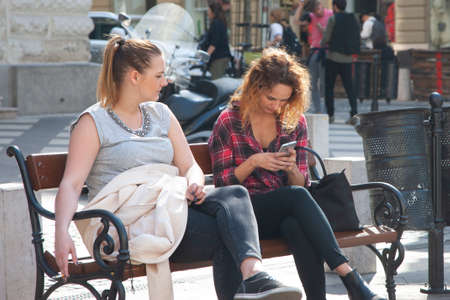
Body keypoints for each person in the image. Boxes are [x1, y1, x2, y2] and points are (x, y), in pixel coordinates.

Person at [53, 35, 302, 300]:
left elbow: (189, 166)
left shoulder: (162, 114)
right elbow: (71, 184)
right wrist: (61, 235)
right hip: (126, 224)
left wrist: (194, 182)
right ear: (135, 77)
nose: (166, 81)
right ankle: (254, 279)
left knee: (236, 195)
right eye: (159, 75)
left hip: (170, 207)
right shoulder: (93, 122)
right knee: (227, 232)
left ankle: (254, 276)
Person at [208, 47, 386, 300]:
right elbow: (222, 185)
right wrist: (254, 162)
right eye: (272, 98)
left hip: (281, 212)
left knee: (296, 223)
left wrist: (291, 167)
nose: (277, 106)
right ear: (256, 87)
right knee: (294, 199)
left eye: (284, 100)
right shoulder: (229, 120)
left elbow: (301, 185)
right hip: (242, 215)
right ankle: (350, 278)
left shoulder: (293, 121)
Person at [320, 0, 360, 124]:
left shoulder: (333, 19)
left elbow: (326, 38)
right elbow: (357, 35)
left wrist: (322, 44)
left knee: (329, 87)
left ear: (335, 6)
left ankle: (331, 115)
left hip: (333, 57)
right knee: (350, 87)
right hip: (348, 58)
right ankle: (354, 113)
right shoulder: (354, 18)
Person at [294, 0, 333, 114]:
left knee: (324, 83)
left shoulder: (330, 14)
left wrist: (323, 31)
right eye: (315, 12)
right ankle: (318, 109)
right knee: (312, 82)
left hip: (326, 51)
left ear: (321, 6)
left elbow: (333, 32)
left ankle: (327, 109)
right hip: (314, 51)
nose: (318, 13)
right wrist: (300, 6)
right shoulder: (311, 16)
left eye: (319, 10)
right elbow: (296, 21)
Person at [206, 2, 231, 79]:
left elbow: (214, 43)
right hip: (223, 56)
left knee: (216, 81)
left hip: (219, 58)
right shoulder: (220, 22)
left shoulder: (216, 23)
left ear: (213, 12)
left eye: (209, 11)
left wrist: (206, 56)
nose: (208, 13)